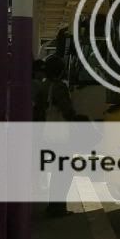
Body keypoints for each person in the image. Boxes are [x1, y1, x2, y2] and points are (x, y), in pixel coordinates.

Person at [34, 55, 78, 217]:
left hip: (45, 134)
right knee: (64, 172)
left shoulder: (43, 86)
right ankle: (57, 207)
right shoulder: (59, 87)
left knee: (56, 170)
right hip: (60, 136)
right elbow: (67, 110)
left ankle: (54, 206)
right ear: (60, 70)